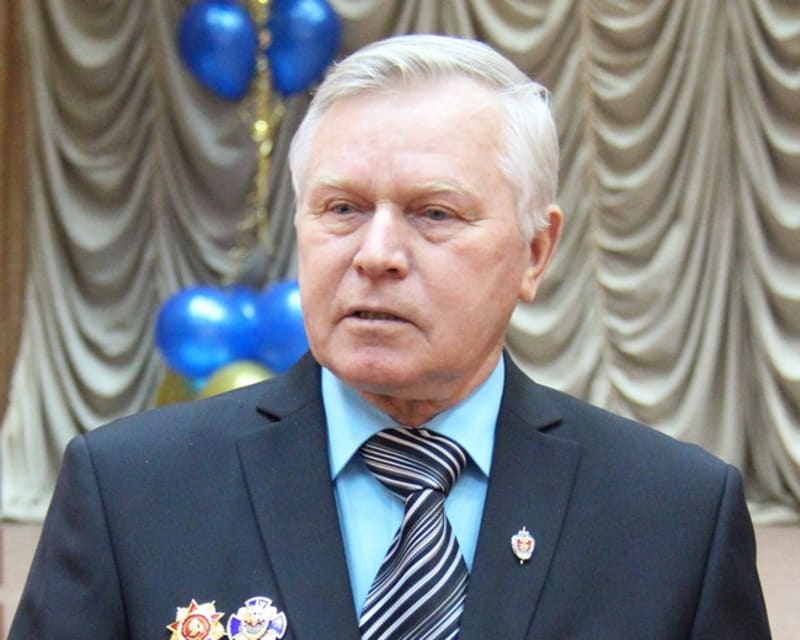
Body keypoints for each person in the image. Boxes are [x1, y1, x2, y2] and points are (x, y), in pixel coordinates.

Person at [10, 34, 770, 640]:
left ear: (535, 252)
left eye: (434, 213)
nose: (375, 254)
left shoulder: (675, 517)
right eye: (342, 209)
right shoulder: (130, 493)